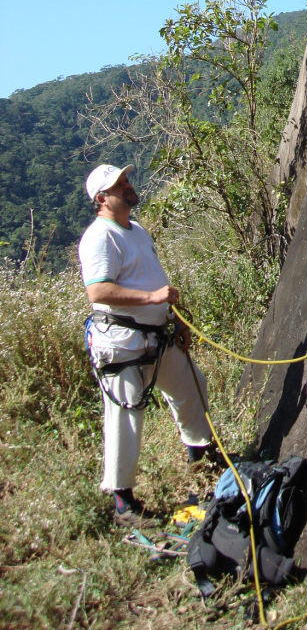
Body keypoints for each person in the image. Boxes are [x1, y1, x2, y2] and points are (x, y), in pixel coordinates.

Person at [78, 162, 213, 527]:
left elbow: (155, 277)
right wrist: (152, 298)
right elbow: (99, 290)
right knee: (125, 416)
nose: (127, 186)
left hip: (157, 334)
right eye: (119, 184)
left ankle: (201, 459)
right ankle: (123, 503)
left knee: (192, 386)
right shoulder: (99, 237)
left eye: (125, 179)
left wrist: (176, 317)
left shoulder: (135, 230)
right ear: (101, 199)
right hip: (121, 343)